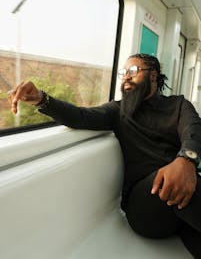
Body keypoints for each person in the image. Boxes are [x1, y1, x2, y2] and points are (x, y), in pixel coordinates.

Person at [8, 53, 201, 258]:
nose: (126, 77)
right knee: (173, 182)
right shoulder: (118, 110)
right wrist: (42, 98)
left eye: (133, 72)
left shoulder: (178, 105)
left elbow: (194, 128)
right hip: (144, 208)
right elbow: (80, 116)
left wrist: (185, 159)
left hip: (180, 203)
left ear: (153, 76)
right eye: (123, 73)